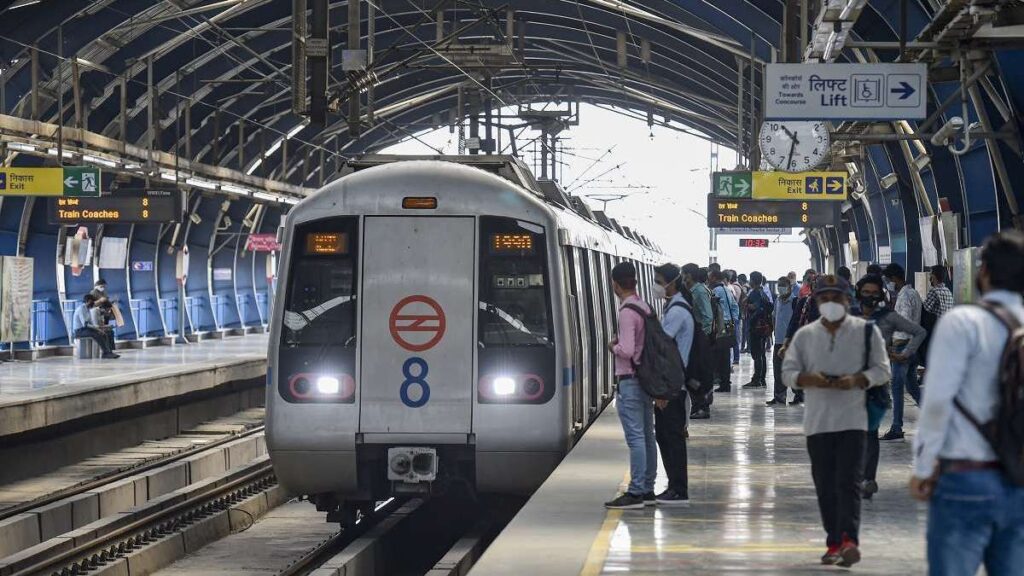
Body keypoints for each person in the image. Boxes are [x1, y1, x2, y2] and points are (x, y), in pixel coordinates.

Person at [910, 230, 1024, 575]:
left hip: (966, 478)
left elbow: (937, 401)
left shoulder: (963, 323)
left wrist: (922, 466)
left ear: (984, 272)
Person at [783, 275, 891, 567]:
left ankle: (849, 541)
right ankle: (833, 540)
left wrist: (860, 379)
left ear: (848, 300)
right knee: (825, 484)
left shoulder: (867, 333)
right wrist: (806, 378)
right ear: (817, 302)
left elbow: (883, 370)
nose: (830, 303)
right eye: (824, 298)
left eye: (837, 298)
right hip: (818, 423)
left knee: (849, 482)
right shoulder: (806, 336)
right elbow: (788, 372)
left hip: (854, 421)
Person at [855, 275, 926, 500]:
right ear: (858, 292)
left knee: (870, 432)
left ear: (881, 294)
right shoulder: (848, 316)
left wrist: (904, 354)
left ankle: (868, 479)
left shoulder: (888, 318)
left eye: (874, 292)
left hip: (875, 384)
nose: (869, 297)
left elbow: (919, 332)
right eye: (865, 292)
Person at [605, 262, 656, 509]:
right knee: (647, 435)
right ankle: (647, 488)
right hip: (644, 379)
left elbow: (625, 350)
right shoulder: (644, 306)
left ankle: (635, 491)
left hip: (631, 380)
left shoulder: (626, 311)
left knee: (635, 437)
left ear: (615, 284)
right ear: (634, 281)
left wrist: (612, 346)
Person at [651, 263, 692, 506]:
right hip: (674, 383)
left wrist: (662, 388)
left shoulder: (677, 311)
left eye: (658, 280)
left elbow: (663, 348)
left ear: (671, 282)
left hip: (672, 384)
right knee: (666, 437)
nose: (656, 285)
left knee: (671, 438)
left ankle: (678, 489)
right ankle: (674, 487)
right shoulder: (676, 307)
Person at [881, 262, 924, 441]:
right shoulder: (913, 293)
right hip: (913, 346)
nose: (887, 283)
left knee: (897, 387)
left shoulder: (904, 296)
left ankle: (897, 427)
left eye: (888, 279)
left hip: (903, 346)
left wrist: (894, 343)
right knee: (912, 387)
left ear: (894, 278)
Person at [683, 264, 714, 419]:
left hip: (700, 338)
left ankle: (702, 407)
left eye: (684, 274)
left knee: (699, 374)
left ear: (690, 275)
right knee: (696, 374)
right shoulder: (695, 291)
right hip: (698, 337)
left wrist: (702, 337)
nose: (683, 277)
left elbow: (708, 317)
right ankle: (698, 406)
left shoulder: (699, 291)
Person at [710, 269, 739, 394]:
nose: (708, 279)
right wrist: (733, 320)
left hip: (720, 326)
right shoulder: (727, 290)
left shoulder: (715, 291)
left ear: (715, 278)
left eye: (710, 277)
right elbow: (735, 307)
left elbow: (713, 310)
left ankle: (723, 383)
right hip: (728, 326)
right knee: (725, 356)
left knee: (720, 356)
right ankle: (725, 382)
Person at [767, 276, 795, 406]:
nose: (780, 288)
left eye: (783, 285)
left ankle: (799, 395)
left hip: (791, 342)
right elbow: (774, 316)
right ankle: (779, 397)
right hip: (778, 341)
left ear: (789, 287)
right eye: (779, 285)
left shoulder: (794, 301)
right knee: (777, 370)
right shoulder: (777, 300)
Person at [743, 271, 771, 389]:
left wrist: (751, 312)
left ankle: (756, 379)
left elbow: (758, 308)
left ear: (753, 280)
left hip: (756, 327)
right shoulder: (763, 291)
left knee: (757, 354)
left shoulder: (755, 292)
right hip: (763, 327)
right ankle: (762, 378)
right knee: (761, 353)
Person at [72, 294, 119, 359]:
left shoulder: (87, 309)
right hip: (79, 331)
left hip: (85, 329)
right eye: (92, 301)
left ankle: (108, 352)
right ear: (88, 301)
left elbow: (91, 323)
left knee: (103, 334)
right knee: (97, 334)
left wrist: (100, 328)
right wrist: (97, 329)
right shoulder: (81, 309)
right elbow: (86, 324)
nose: (93, 303)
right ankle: (106, 353)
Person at [726, 270, 743, 365]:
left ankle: (735, 358)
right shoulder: (733, 287)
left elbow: (734, 302)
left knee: (733, 338)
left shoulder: (732, 287)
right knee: (734, 337)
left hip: (732, 317)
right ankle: (735, 358)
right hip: (734, 316)